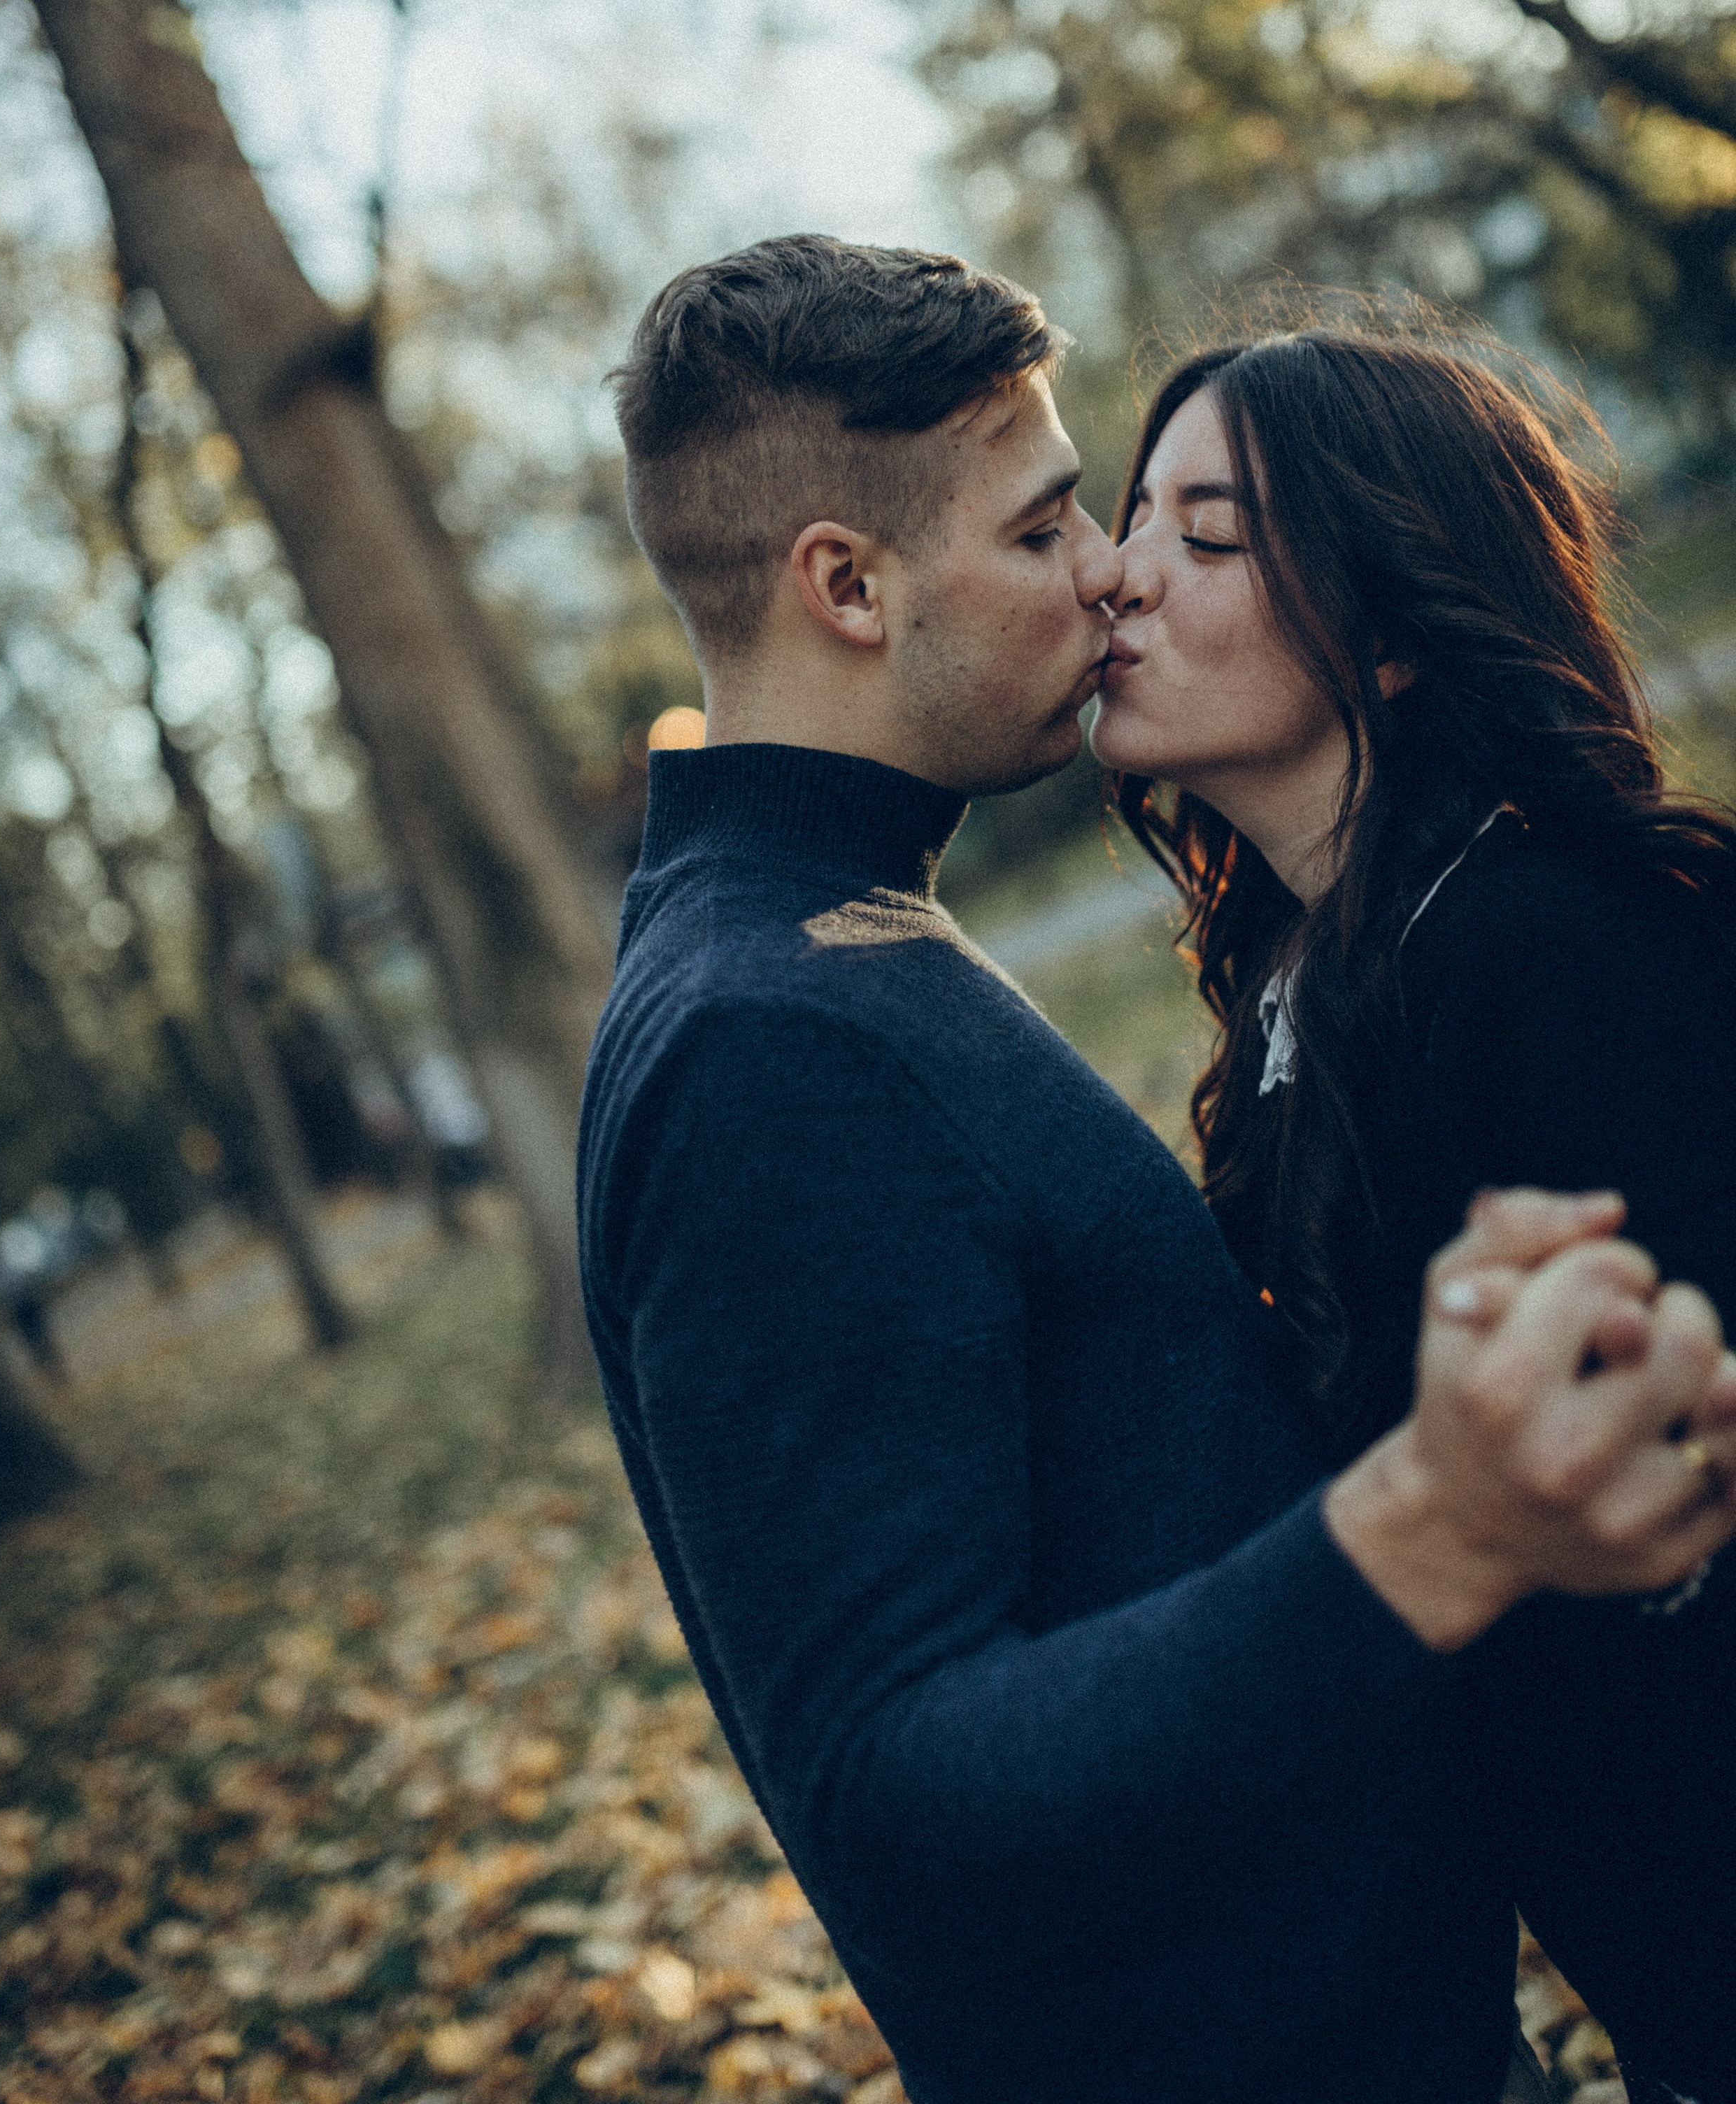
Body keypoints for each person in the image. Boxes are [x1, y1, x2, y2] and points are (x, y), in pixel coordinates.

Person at [578, 234, 1736, 2104]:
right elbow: (895, 1783)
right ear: (847, 586)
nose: (1105, 571)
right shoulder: (769, 1034)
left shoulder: (850, 938)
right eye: (1051, 530)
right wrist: (1426, 1523)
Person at [1091, 318, 1736, 2104]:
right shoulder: (1303, 982)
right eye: (1130, 516)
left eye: (1205, 538)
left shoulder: (1565, 946)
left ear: (1385, 633)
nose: (1114, 578)